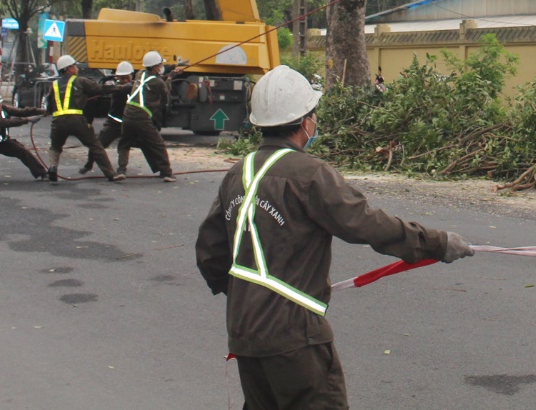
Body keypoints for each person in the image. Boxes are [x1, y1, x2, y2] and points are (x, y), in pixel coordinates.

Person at [195, 65, 474, 410]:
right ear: (305, 121)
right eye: (313, 114)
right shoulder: (310, 174)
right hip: (295, 335)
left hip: (244, 332)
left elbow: (210, 253)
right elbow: (367, 224)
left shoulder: (238, 172)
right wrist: (437, 243)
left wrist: (247, 296)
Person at [45, 54, 119, 183]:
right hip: (76, 121)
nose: (77, 68)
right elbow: (100, 89)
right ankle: (110, 174)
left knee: (55, 147)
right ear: (69, 69)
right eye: (75, 66)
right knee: (95, 145)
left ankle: (52, 168)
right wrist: (122, 88)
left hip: (58, 122)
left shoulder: (54, 84)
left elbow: (49, 106)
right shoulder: (80, 81)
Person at [116, 51, 175, 183]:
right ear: (155, 67)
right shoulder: (158, 83)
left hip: (127, 113)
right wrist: (170, 78)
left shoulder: (140, 73)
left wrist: (170, 70)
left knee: (124, 143)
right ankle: (167, 173)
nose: (161, 66)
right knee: (158, 144)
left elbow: (152, 79)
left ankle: (121, 171)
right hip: (141, 116)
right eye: (160, 64)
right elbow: (165, 93)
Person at [0, 90, 46, 182]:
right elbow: (7, 122)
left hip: (3, 142)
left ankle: (42, 174)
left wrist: (42, 111)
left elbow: (22, 112)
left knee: (22, 150)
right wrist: (27, 120)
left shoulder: (3, 108)